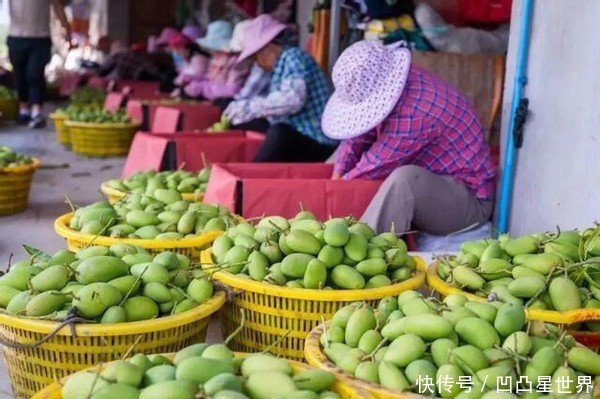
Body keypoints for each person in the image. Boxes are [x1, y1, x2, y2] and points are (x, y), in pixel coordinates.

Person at [321, 40, 495, 235]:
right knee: (339, 161)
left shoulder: (415, 114)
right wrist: (337, 175)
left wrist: (337, 188)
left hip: (468, 200)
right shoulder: (400, 79)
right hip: (436, 179)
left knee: (404, 181)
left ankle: (363, 250)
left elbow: (373, 167)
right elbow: (357, 135)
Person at [224, 14, 336, 162]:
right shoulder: (280, 66)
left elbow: (293, 100)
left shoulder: (294, 57)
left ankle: (251, 175)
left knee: (279, 132)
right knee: (248, 125)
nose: (257, 63)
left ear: (267, 49)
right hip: (299, 132)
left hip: (318, 140)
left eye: (256, 57)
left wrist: (252, 107)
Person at [8, 0, 71, 128]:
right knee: (20, 75)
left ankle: (36, 112)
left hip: (40, 38)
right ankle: (23, 109)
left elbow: (57, 6)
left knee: (34, 74)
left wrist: (66, 27)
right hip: (16, 36)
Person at [184, 19, 253, 102]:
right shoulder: (216, 58)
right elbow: (212, 78)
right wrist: (195, 79)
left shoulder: (238, 62)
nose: (213, 51)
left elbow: (233, 90)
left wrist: (204, 88)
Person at [169, 32, 211, 97]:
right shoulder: (187, 59)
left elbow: (199, 77)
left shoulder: (198, 58)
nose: (176, 52)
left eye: (178, 48)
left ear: (187, 47)